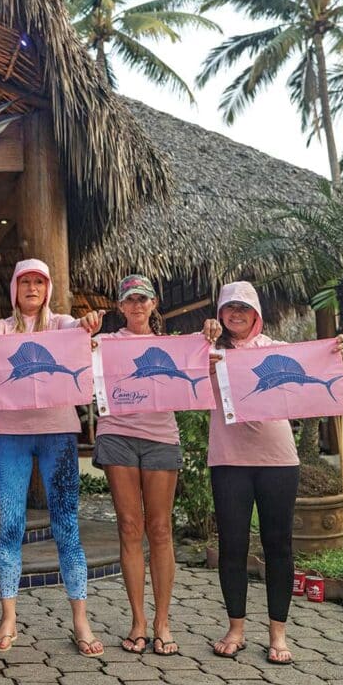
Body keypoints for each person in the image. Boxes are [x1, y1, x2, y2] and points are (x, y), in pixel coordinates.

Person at [0, 259, 105, 657]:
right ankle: (8, 616)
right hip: (11, 436)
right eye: (24, 282)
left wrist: (89, 325)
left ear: (47, 289)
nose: (31, 288)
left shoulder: (63, 325)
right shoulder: (1, 329)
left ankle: (80, 619)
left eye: (38, 282)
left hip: (58, 433)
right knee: (10, 525)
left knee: (66, 525)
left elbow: (82, 334)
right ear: (14, 288)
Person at [204, 281, 343, 665]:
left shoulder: (276, 350)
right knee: (232, 545)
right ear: (220, 313)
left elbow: (312, 365)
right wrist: (204, 351)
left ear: (256, 313)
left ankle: (278, 633)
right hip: (228, 460)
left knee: (278, 544)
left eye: (243, 308)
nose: (236, 313)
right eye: (229, 307)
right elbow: (185, 382)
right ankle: (235, 628)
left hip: (278, 460)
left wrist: (332, 354)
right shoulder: (209, 351)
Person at [91, 274, 215, 656]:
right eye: (130, 300)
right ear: (120, 307)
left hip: (161, 438)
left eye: (144, 299)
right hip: (117, 435)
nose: (137, 306)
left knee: (160, 529)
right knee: (129, 526)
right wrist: (84, 332)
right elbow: (74, 353)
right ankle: (138, 622)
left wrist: (211, 332)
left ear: (154, 303)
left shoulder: (172, 346)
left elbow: (211, 356)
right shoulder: (105, 343)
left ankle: (162, 621)